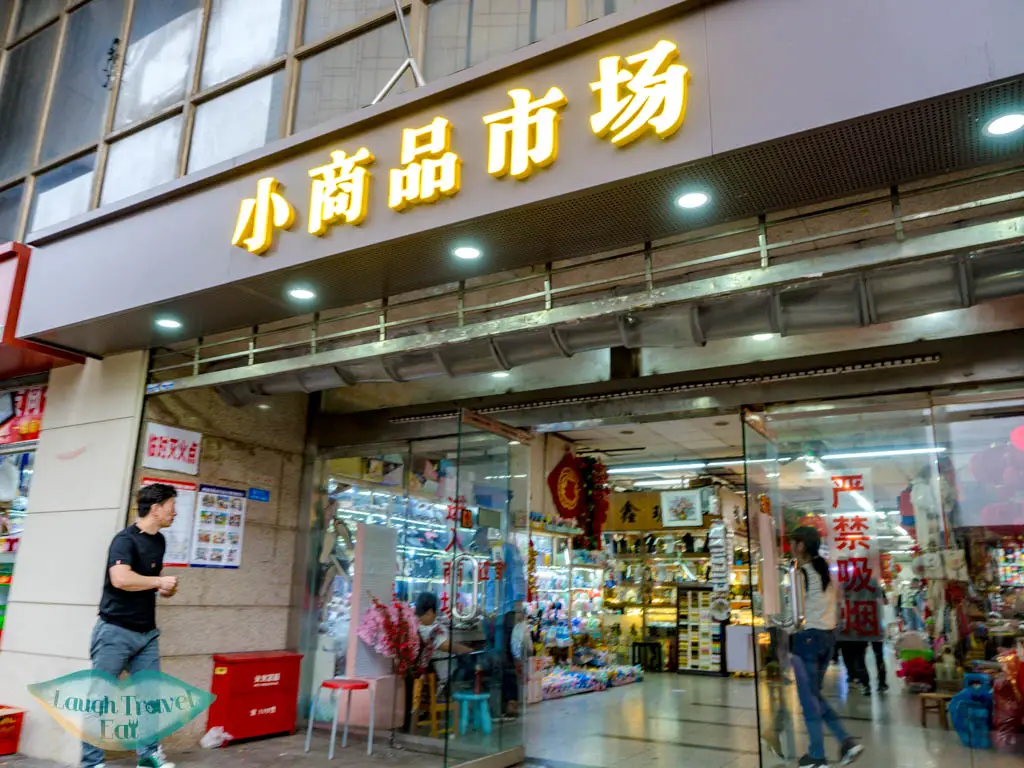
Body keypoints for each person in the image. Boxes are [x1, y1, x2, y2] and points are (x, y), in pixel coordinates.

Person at [83, 483, 180, 768]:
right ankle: (92, 763)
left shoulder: (159, 541)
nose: (175, 512)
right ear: (157, 507)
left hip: (146, 634)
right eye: (172, 506)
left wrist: (162, 588)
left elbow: (146, 582)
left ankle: (148, 757)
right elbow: (121, 579)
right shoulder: (124, 540)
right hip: (115, 631)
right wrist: (158, 582)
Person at [789, 527, 863, 768]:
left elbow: (795, 612)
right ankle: (846, 742)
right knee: (815, 696)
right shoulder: (826, 573)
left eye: (793, 543)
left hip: (807, 639)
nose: (791, 547)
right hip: (827, 639)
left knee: (809, 700)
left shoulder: (800, 574)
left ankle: (818, 756)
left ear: (801, 546)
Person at [414, 592, 472, 696]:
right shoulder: (431, 630)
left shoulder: (417, 626)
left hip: (435, 673)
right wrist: (468, 650)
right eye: (435, 612)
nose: (436, 615)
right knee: (483, 667)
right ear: (430, 612)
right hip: (446, 677)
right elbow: (446, 646)